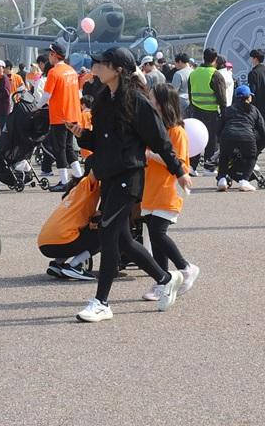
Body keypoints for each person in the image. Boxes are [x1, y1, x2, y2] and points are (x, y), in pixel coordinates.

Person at [71, 47, 191, 322]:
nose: (97, 67)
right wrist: (81, 134)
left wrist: (178, 171)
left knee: (108, 234)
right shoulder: (104, 98)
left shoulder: (136, 101)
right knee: (123, 239)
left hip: (129, 176)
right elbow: (100, 141)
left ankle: (101, 302)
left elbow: (160, 140)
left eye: (102, 63)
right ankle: (165, 278)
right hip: (109, 175)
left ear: (118, 69)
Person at [141, 83, 200, 301]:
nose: (149, 102)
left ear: (163, 103)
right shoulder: (155, 128)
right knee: (155, 236)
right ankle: (163, 281)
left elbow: (180, 164)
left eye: (152, 99)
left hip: (168, 189)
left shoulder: (177, 131)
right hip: (150, 188)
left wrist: (150, 155)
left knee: (158, 232)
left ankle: (185, 267)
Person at [37, 173, 100, 281]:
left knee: (75, 234)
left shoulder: (72, 196)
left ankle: (57, 264)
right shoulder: (85, 185)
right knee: (106, 235)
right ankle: (74, 266)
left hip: (44, 244)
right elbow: (96, 171)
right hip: (63, 240)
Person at [215, 84, 265, 191]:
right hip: (247, 137)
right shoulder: (254, 110)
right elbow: (263, 130)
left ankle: (222, 180)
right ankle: (244, 181)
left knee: (224, 157)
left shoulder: (228, 110)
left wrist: (221, 140)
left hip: (228, 135)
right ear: (249, 97)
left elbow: (219, 127)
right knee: (251, 157)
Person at [41, 42, 83, 192]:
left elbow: (47, 95)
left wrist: (36, 107)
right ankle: (79, 177)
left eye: (50, 54)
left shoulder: (54, 72)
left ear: (54, 55)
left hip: (59, 116)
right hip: (73, 114)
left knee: (59, 149)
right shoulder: (71, 71)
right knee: (69, 147)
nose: (48, 56)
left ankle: (64, 181)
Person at [188, 48, 228, 170]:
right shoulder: (215, 74)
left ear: (203, 58)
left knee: (196, 139)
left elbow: (190, 94)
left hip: (195, 111)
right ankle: (208, 166)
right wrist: (224, 113)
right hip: (211, 112)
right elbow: (222, 97)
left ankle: (192, 167)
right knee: (211, 140)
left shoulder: (193, 73)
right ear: (215, 59)